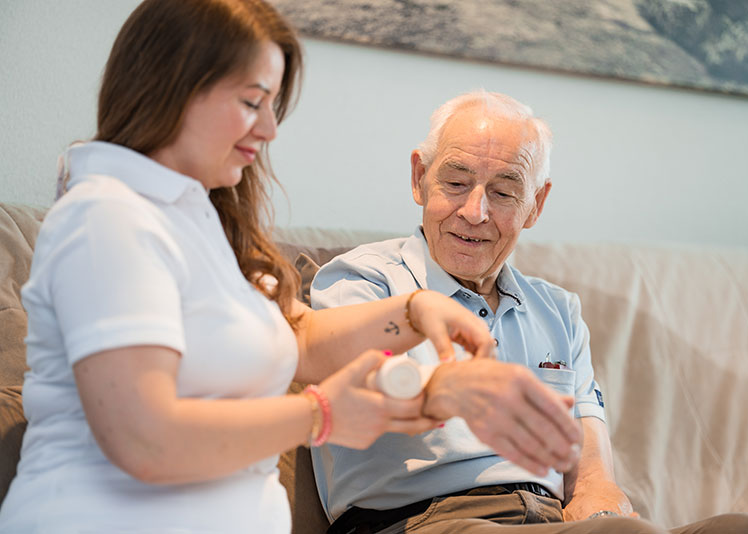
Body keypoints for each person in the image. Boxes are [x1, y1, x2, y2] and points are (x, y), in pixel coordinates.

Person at [0, 3, 522, 533]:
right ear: (169, 88)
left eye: (273, 105)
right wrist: (321, 413)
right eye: (253, 102)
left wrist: (415, 309)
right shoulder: (107, 218)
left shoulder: (200, 216)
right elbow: (143, 439)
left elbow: (299, 338)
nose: (270, 128)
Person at [309, 91, 748, 534]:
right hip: (419, 520)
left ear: (535, 205)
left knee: (747, 529)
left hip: (549, 521)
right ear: (419, 178)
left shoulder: (559, 311)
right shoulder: (363, 279)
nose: (474, 211)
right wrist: (444, 390)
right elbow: (353, 389)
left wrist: (598, 509)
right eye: (455, 183)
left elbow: (592, 474)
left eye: (503, 193)